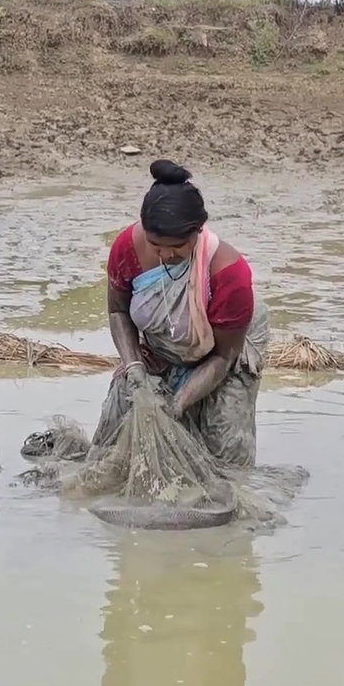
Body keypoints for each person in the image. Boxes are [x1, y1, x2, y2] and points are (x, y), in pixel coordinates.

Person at [96, 159, 270, 466]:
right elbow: (118, 311)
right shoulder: (126, 248)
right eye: (156, 246)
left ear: (198, 232)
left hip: (224, 351)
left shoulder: (229, 273)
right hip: (161, 342)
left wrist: (177, 405)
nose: (165, 255)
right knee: (115, 439)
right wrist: (134, 366)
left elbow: (222, 357)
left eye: (177, 246)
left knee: (224, 449)